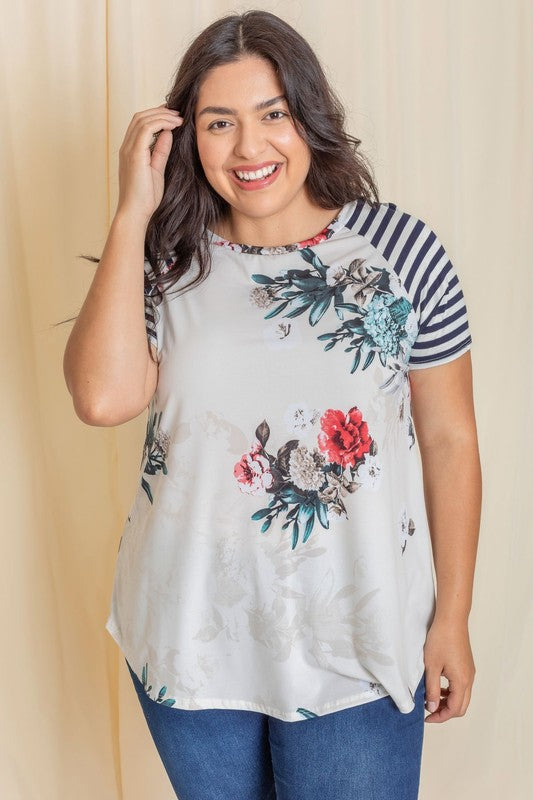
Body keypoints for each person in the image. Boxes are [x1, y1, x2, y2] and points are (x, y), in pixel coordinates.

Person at [63, 9, 482, 800]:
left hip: (357, 645)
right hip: (189, 639)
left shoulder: (401, 251)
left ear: (309, 117)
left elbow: (450, 439)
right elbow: (102, 398)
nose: (249, 148)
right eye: (219, 123)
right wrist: (132, 210)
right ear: (189, 137)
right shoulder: (165, 259)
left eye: (272, 115)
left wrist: (451, 617)